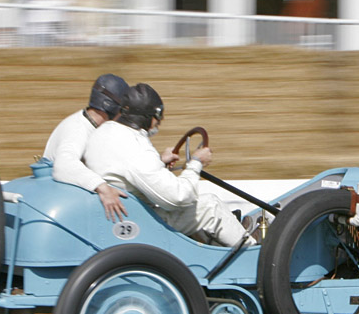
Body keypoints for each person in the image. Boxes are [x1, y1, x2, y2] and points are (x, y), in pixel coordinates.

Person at [84, 83, 253, 247]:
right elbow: (177, 198)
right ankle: (256, 253)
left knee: (198, 211)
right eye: (158, 119)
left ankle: (216, 246)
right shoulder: (136, 147)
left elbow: (129, 169)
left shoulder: (103, 133)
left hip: (118, 213)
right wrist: (196, 163)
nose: (158, 123)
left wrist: (159, 161)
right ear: (148, 117)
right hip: (140, 221)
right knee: (210, 206)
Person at [43, 73, 130, 222]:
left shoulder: (92, 126)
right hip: (64, 204)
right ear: (111, 107)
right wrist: (103, 188)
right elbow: (64, 165)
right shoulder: (77, 129)